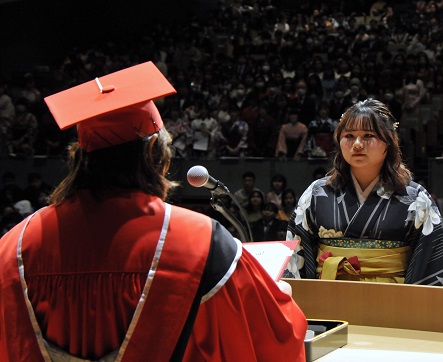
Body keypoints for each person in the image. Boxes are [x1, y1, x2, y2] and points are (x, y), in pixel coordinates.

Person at [0, 62, 307, 361]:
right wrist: (279, 296)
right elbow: (272, 340)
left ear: (80, 158)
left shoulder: (13, 247)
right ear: (152, 153)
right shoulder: (200, 243)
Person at [286, 99, 443, 285]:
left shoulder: (415, 198)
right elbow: (296, 257)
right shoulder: (317, 194)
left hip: (392, 303)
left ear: (388, 142)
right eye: (349, 136)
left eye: (368, 135)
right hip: (329, 298)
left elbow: (432, 262)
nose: (357, 144)